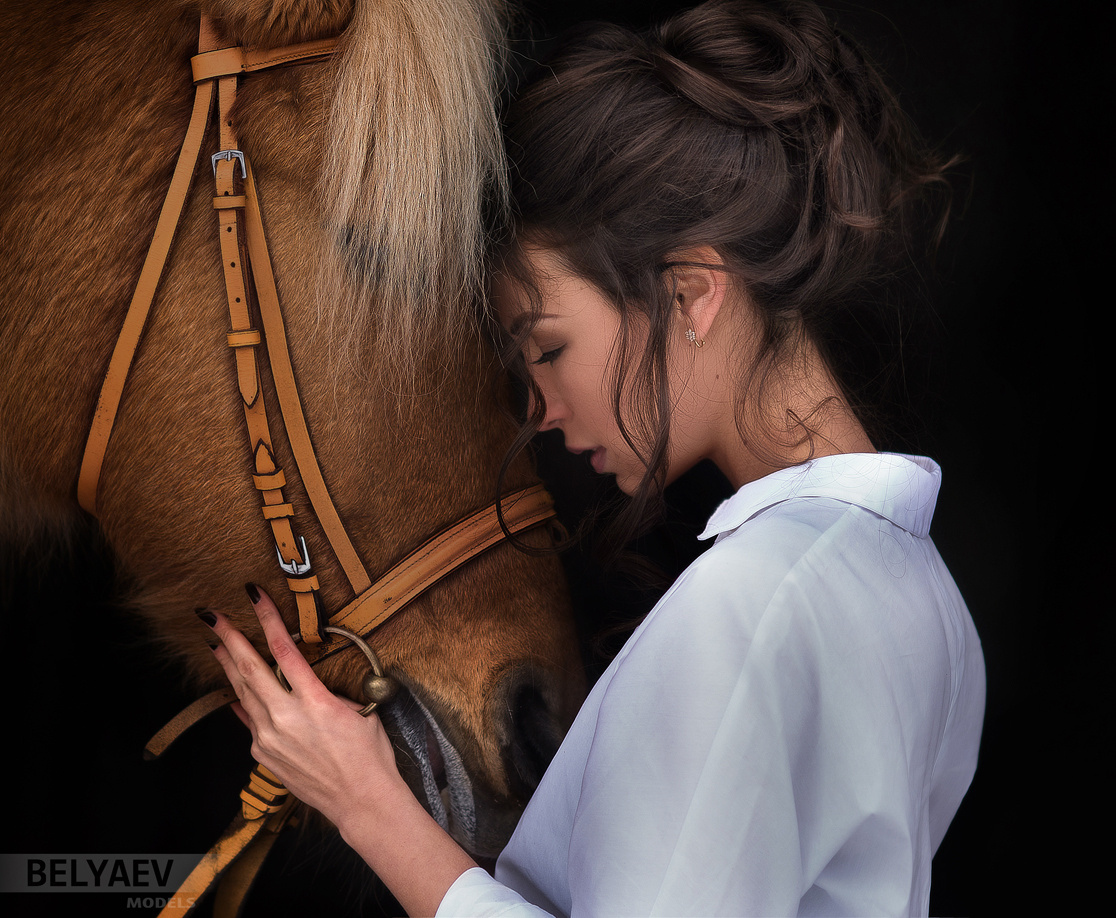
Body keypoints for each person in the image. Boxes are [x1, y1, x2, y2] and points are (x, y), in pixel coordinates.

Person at [197, 1, 985, 914]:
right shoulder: (925, 598)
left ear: (690, 292)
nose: (541, 415)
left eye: (548, 347)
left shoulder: (753, 601)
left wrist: (365, 800)